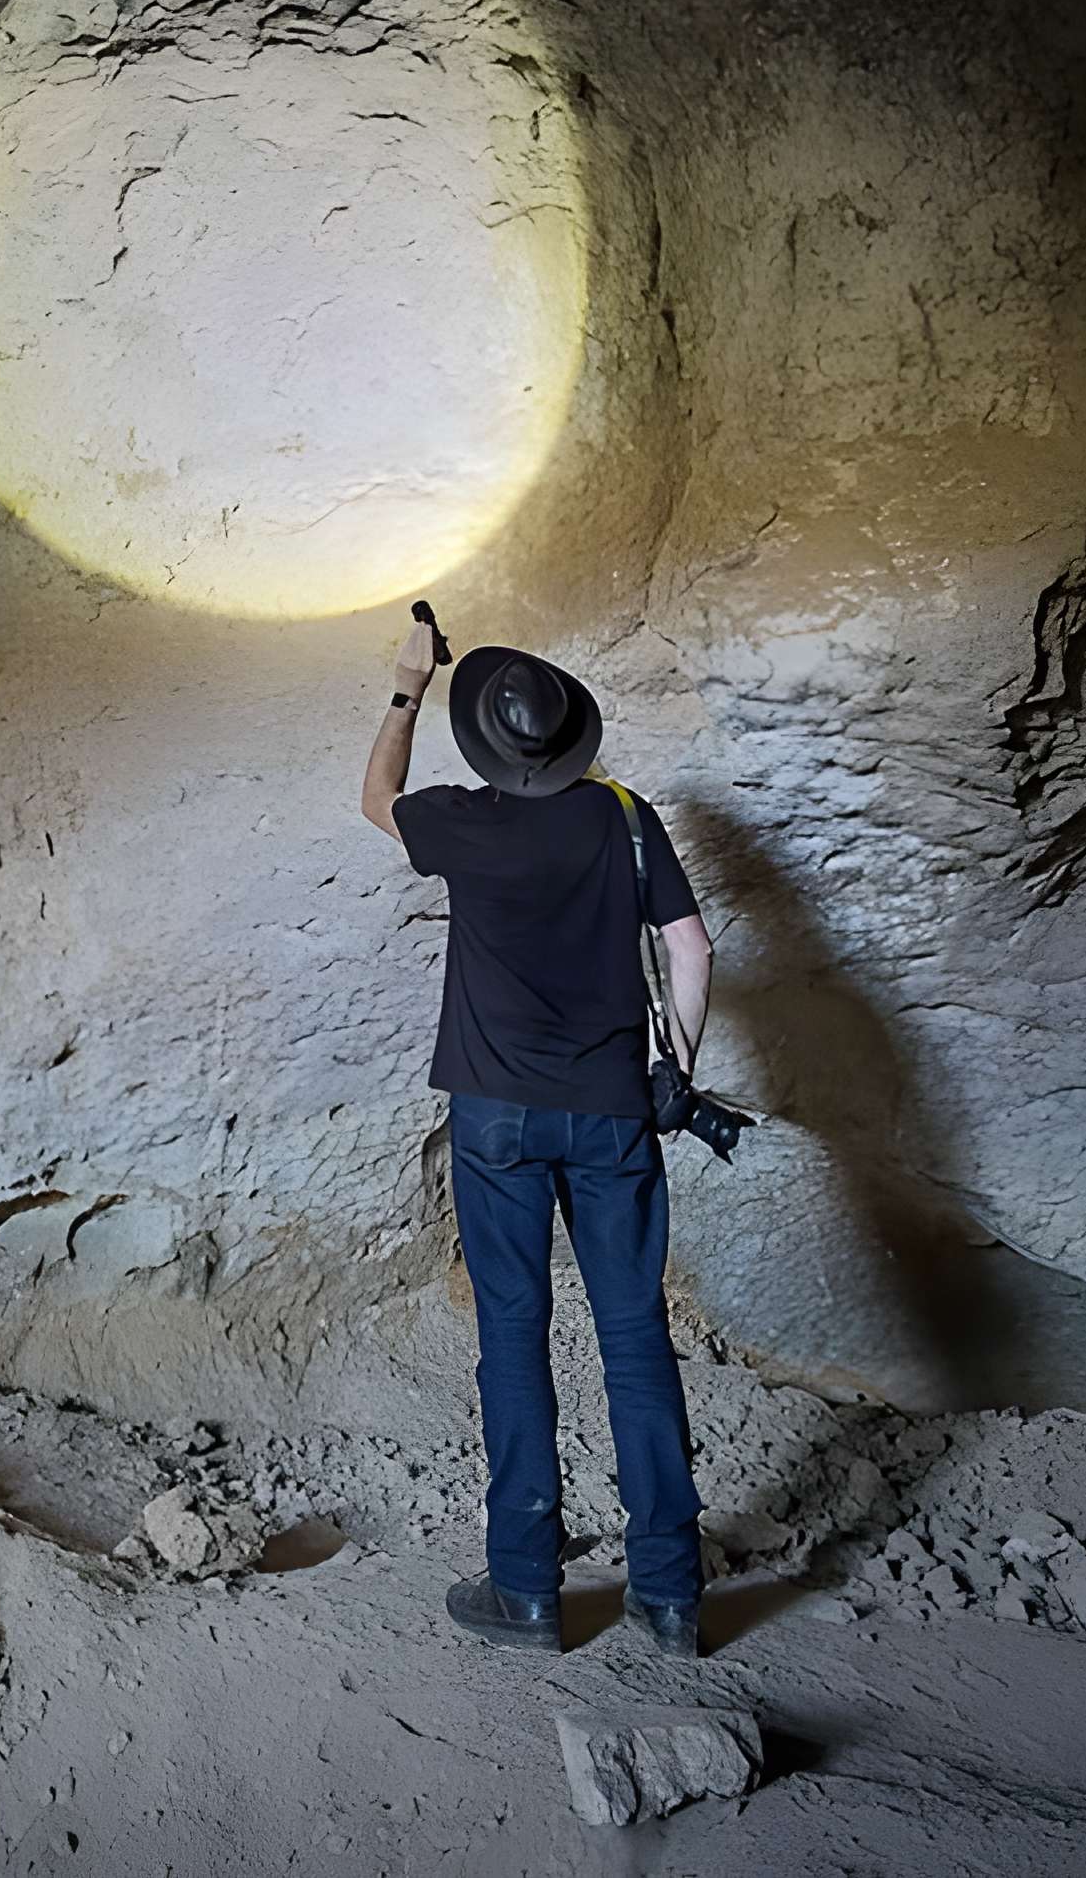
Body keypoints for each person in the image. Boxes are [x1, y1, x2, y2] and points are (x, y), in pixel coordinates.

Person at [360, 617, 715, 1658]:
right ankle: (669, 1593)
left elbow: (376, 798)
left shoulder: (463, 821)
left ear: (487, 744)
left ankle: (524, 1588)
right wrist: (678, 1067)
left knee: (511, 1336)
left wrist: (406, 688)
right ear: (568, 739)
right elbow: (690, 949)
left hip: (496, 1115)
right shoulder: (624, 815)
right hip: (612, 1111)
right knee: (634, 1336)